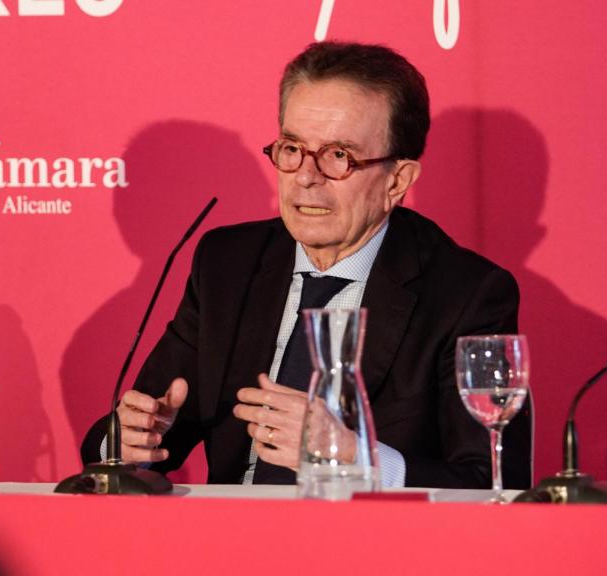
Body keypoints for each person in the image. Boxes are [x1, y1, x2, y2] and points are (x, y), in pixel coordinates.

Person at [82, 41, 531, 488]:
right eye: (293, 147)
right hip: (227, 544)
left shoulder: (467, 294)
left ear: (398, 180)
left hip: (376, 550)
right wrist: (127, 444)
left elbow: (495, 479)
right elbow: (149, 428)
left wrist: (357, 459)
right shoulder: (228, 265)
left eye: (339, 156)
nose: (305, 177)